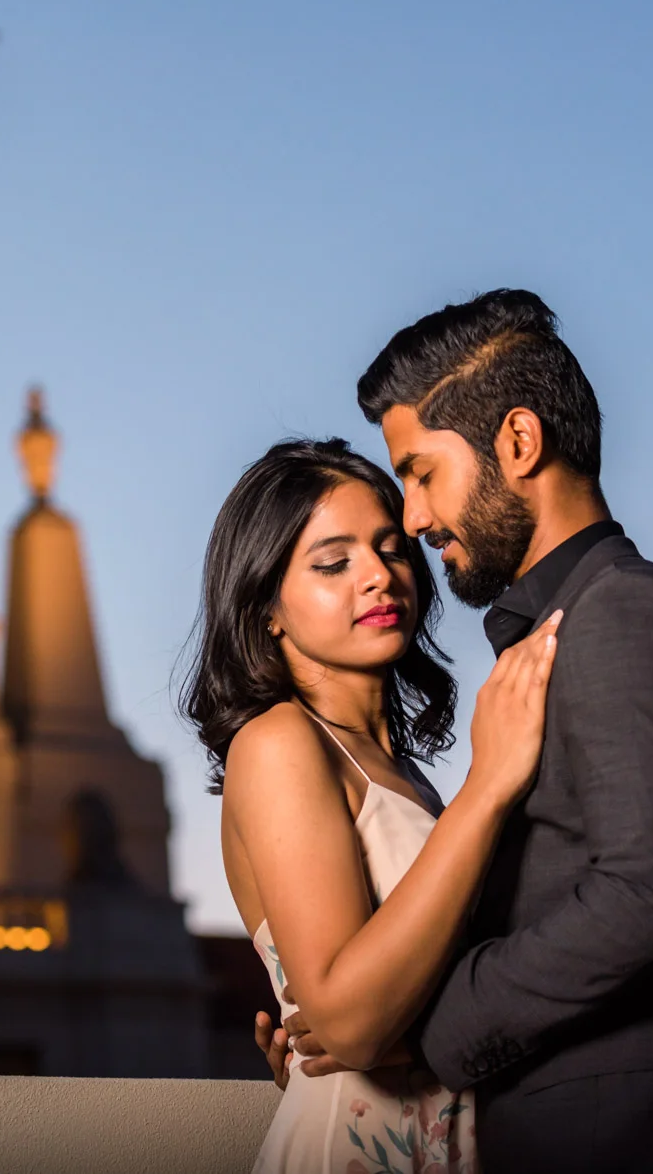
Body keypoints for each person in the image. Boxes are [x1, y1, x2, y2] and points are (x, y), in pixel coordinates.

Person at [263, 290, 653, 1173]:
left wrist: (422, 1034)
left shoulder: (626, 616)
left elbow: (644, 897)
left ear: (517, 442)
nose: (413, 518)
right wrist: (345, 1021)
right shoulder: (563, 633)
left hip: (646, 1145)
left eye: (422, 472)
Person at [184, 437, 563, 1173]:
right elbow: (352, 1026)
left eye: (391, 549)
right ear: (267, 608)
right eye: (333, 562)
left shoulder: (406, 776)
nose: (379, 576)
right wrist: (489, 787)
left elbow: (404, 988)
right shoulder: (279, 741)